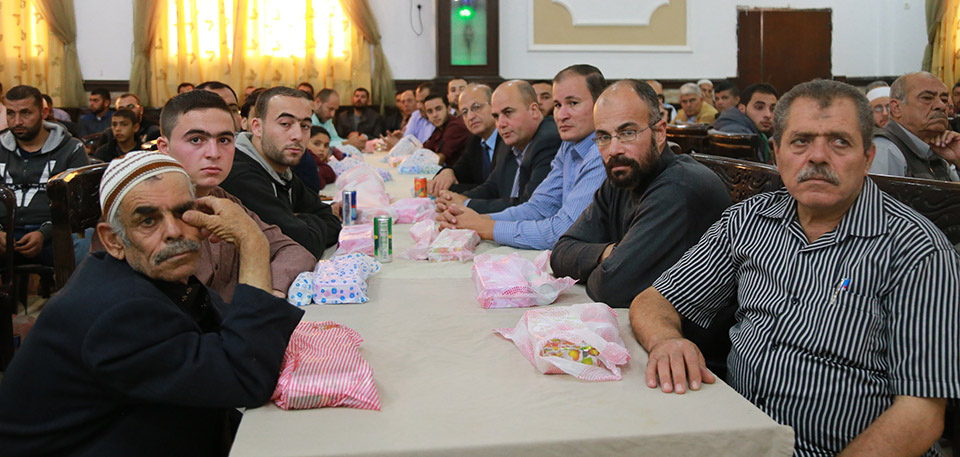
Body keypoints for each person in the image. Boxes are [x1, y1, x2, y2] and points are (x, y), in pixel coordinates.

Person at [629, 79, 960, 456]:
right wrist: (667, 341)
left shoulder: (918, 250)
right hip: (737, 437)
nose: (817, 156)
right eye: (801, 141)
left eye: (839, 142)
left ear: (868, 157)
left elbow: (921, 414)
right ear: (776, 153)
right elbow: (654, 300)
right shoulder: (749, 221)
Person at [0, 150, 304, 456]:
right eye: (148, 221)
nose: (173, 232)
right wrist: (252, 242)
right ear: (113, 241)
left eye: (183, 213)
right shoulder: (121, 312)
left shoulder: (158, 277)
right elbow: (247, 376)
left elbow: (235, 340)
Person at [551, 78, 730, 307]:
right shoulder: (622, 176)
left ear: (660, 132)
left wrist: (602, 263)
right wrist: (609, 252)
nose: (614, 150)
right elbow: (560, 254)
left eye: (627, 133)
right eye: (604, 137)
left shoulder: (679, 188)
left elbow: (610, 287)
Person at [155, 89, 316, 300]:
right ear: (164, 148)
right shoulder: (149, 215)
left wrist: (271, 291)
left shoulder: (224, 199)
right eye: (196, 140)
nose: (213, 153)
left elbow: (294, 250)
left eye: (224, 140)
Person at [438, 65, 607, 250]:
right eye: (558, 105)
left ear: (600, 105)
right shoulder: (569, 145)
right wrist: (475, 219)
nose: (561, 115)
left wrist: (484, 226)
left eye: (573, 103)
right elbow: (539, 208)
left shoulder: (602, 152)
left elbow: (564, 231)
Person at [221, 86, 341, 257]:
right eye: (285, 124)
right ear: (257, 127)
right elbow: (304, 243)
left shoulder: (280, 169)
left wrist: (297, 221)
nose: (298, 135)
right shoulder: (240, 176)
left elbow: (330, 219)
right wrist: (300, 222)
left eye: (305, 126)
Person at [434, 80, 561, 214]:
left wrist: (466, 204)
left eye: (508, 112)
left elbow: (528, 206)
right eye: (496, 116)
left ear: (534, 110)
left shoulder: (548, 140)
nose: (500, 124)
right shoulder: (509, 139)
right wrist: (457, 199)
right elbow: (492, 187)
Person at [0, 85, 89, 266]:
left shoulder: (71, 148)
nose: (17, 121)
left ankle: (72, 287)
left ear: (44, 112)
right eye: (10, 114)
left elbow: (80, 205)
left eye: (26, 113)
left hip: (56, 233)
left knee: (88, 242)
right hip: (4, 233)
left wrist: (45, 233)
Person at [870, 71, 960, 181]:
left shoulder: (936, 149)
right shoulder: (885, 149)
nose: (941, 106)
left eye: (944, 100)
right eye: (927, 98)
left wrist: (958, 159)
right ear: (896, 108)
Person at [427, 84, 505, 195]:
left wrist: (450, 190)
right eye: (464, 112)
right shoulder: (475, 140)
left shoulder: (508, 139)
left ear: (494, 106)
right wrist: (448, 171)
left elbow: (497, 190)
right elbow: (461, 170)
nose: (470, 117)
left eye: (476, 107)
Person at [712, 83, 779, 163]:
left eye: (773, 109)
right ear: (742, 108)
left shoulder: (759, 133)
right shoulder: (738, 134)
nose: (768, 115)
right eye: (759, 107)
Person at [422, 93, 470, 167]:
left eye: (439, 109)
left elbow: (438, 160)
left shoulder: (456, 126)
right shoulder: (440, 128)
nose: (434, 115)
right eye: (430, 111)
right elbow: (424, 150)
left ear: (449, 109)